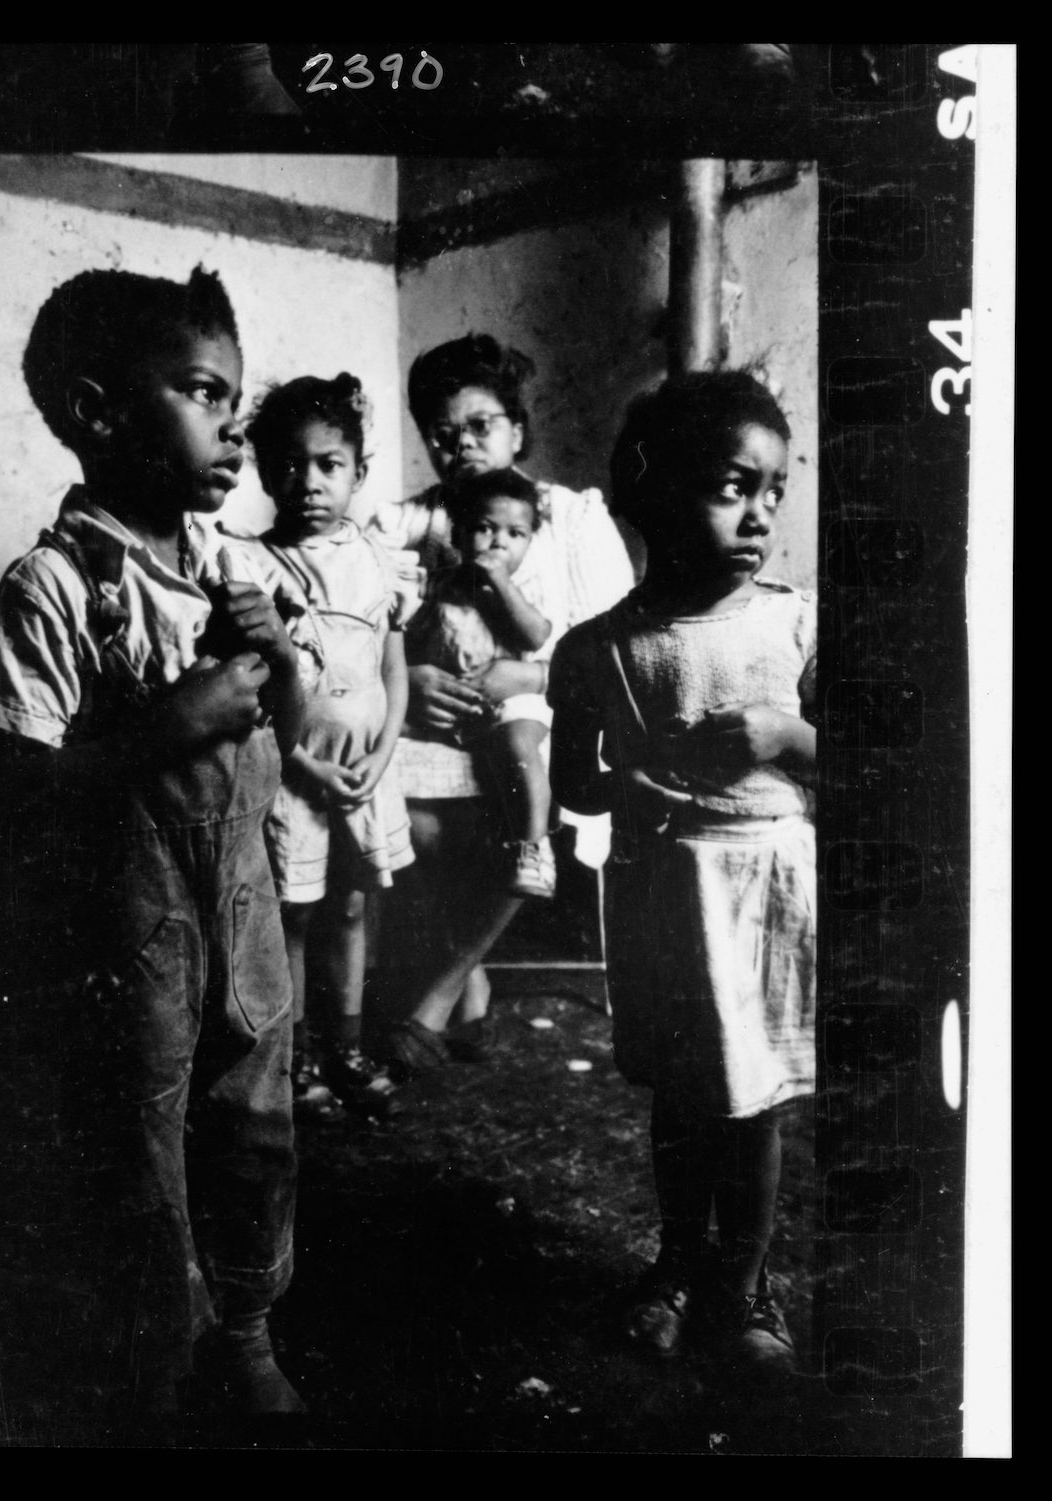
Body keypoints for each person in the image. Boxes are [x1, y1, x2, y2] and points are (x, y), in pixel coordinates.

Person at [0, 265, 308, 1443]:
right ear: (101, 410)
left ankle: (248, 1328)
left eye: (237, 397)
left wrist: (281, 659)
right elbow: (13, 793)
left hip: (247, 918)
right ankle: (159, 1353)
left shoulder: (239, 568)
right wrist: (166, 724)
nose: (234, 423)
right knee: (140, 1140)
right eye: (205, 393)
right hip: (130, 936)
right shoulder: (51, 587)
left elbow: (295, 737)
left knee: (255, 1123)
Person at [548, 369, 816, 1372]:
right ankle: (673, 1264)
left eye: (773, 491)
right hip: (665, 893)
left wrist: (784, 732)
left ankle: (743, 1287)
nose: (759, 514)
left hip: (765, 889)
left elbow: (870, 764)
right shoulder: (595, 650)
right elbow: (576, 781)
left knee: (754, 1102)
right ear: (650, 488)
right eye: (731, 487)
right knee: (681, 1096)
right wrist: (628, 792)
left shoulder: (796, 622)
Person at [370, 332, 634, 1078]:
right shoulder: (407, 525)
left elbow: (614, 649)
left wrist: (525, 678)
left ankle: (444, 989)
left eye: (481, 425)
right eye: (443, 433)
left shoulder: (569, 518)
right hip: (437, 717)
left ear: (517, 430)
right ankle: (475, 978)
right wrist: (412, 683)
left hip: (543, 717)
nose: (461, 446)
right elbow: (362, 636)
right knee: (409, 819)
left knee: (525, 794)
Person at [250, 374, 413, 1119]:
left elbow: (393, 670)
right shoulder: (252, 566)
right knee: (296, 914)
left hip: (363, 772)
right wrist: (301, 761)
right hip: (295, 774)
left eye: (328, 465)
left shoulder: (381, 560)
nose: (309, 482)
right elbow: (254, 696)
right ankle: (295, 1056)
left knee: (350, 908)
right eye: (289, 465)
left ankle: (345, 1046)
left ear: (357, 471)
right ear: (263, 471)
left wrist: (380, 758)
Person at [404, 467, 560, 898]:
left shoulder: (522, 588)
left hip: (510, 699)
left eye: (516, 534)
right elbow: (412, 638)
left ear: (531, 541)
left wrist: (503, 585)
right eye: (485, 529)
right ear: (458, 534)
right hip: (453, 702)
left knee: (520, 743)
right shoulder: (436, 586)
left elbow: (536, 636)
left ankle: (532, 846)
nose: (498, 543)